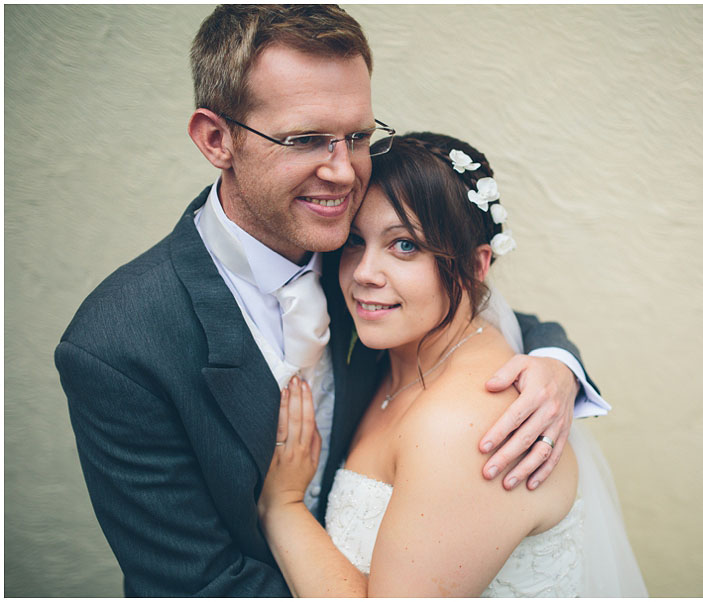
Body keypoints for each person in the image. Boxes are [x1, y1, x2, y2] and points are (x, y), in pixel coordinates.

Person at [53, 5, 607, 596]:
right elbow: (197, 584)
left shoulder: (351, 243)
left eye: (359, 136)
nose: (344, 172)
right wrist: (284, 510)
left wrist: (555, 368)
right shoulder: (116, 346)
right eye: (306, 139)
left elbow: (469, 304)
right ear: (217, 139)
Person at [257, 132, 646, 597]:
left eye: (405, 246)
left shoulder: (472, 424)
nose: (364, 273)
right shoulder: (397, 348)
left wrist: (282, 507)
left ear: (477, 265)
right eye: (356, 241)